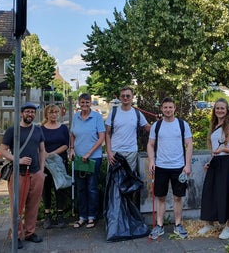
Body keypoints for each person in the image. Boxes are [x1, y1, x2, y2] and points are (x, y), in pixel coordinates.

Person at [0, 102, 47, 249]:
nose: (30, 114)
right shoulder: (12, 130)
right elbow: (3, 150)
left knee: (33, 205)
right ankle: (17, 235)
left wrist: (41, 170)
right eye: (27, 112)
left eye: (32, 112)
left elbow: (42, 150)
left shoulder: (38, 130)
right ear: (21, 114)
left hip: (36, 174)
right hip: (18, 175)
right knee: (17, 206)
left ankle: (30, 232)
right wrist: (17, 160)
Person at [197, 98, 229, 240]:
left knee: (227, 193)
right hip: (216, 163)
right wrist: (210, 162)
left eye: (222, 108)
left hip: (227, 163)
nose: (219, 110)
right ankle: (209, 223)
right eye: (217, 108)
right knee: (210, 192)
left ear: (227, 110)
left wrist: (224, 148)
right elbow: (214, 150)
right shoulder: (214, 126)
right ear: (214, 110)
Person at [147, 97, 193, 239]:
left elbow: (189, 144)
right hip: (161, 167)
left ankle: (178, 225)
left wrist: (187, 165)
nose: (168, 110)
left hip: (178, 167)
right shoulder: (157, 125)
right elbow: (150, 144)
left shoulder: (182, 124)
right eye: (165, 107)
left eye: (170, 107)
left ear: (175, 109)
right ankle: (159, 226)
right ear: (161, 109)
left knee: (178, 197)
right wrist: (151, 161)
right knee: (161, 197)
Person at [69, 93, 105, 229]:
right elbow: (72, 134)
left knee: (92, 187)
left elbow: (101, 138)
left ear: (91, 103)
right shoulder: (76, 117)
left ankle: (92, 216)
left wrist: (89, 153)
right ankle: (81, 216)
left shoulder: (97, 117)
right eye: (82, 103)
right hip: (78, 158)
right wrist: (72, 149)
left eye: (87, 102)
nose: (85, 105)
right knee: (80, 188)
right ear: (79, 103)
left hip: (93, 158)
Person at [105, 86, 151, 173]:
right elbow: (107, 133)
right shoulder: (113, 112)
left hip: (131, 153)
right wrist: (109, 152)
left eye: (128, 96)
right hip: (115, 153)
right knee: (114, 182)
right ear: (119, 98)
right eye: (123, 96)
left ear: (132, 97)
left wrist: (160, 123)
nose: (125, 98)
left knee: (129, 182)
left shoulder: (137, 113)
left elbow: (148, 128)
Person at [40, 104, 69, 229]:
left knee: (60, 187)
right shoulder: (41, 129)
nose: (54, 115)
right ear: (46, 114)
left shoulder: (63, 128)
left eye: (56, 112)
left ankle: (60, 214)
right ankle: (47, 215)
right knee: (46, 189)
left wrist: (51, 154)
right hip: (45, 163)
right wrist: (44, 154)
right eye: (51, 112)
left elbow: (66, 144)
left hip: (60, 162)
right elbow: (38, 144)